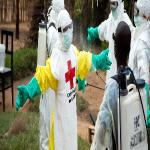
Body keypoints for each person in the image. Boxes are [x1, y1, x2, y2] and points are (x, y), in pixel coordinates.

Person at [16, 9, 111, 150]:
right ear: (59, 32)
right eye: (65, 29)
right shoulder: (56, 58)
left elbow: (82, 60)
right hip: (60, 120)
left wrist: (97, 60)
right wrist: (29, 90)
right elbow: (44, 76)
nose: (69, 31)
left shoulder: (72, 51)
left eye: (70, 26)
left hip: (71, 117)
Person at [90, 21, 131, 150]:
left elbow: (101, 130)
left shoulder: (113, 86)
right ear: (130, 48)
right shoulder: (133, 78)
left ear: (114, 48)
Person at [87, 0, 133, 83]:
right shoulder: (112, 17)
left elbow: (133, 48)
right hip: (111, 66)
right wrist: (95, 31)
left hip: (121, 70)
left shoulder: (127, 24)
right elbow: (106, 26)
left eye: (114, 4)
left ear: (120, 3)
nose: (112, 7)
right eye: (110, 3)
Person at [39, 0, 64, 150]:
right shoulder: (54, 33)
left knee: (45, 128)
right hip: (51, 87)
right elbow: (57, 66)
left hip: (46, 85)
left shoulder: (50, 28)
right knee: (49, 129)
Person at [128, 0, 150, 126]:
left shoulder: (143, 42)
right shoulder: (138, 33)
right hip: (131, 93)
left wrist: (145, 107)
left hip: (137, 98)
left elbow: (144, 77)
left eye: (137, 12)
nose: (134, 16)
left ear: (146, 16)